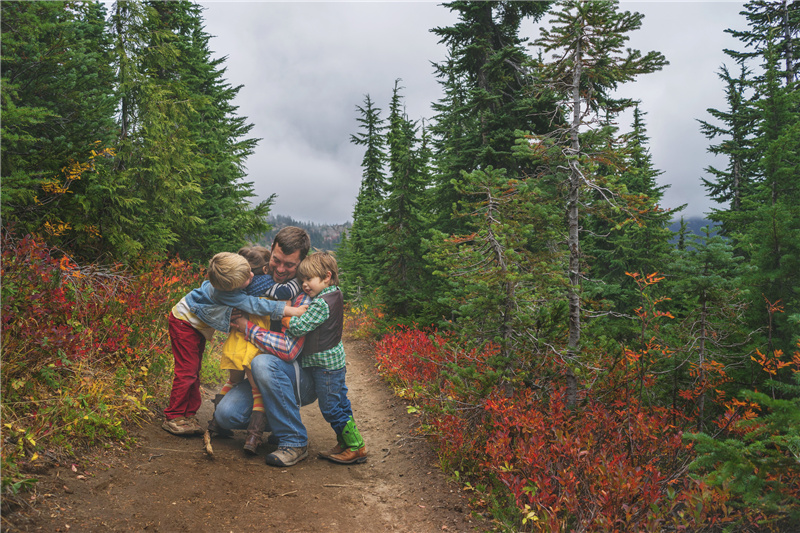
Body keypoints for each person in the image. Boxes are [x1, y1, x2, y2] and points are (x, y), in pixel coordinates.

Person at [230, 251, 367, 465]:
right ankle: (348, 442)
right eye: (302, 280)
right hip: (329, 366)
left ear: (327, 277)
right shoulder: (334, 295)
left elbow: (299, 326)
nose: (304, 285)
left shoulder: (320, 303)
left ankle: (354, 446)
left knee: (332, 407)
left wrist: (285, 316)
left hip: (325, 368)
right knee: (339, 403)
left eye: (309, 280)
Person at [162, 251, 307, 436]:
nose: (252, 276)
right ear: (232, 288)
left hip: (194, 327)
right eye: (247, 278)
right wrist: (291, 311)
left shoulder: (226, 283)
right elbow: (256, 305)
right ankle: (173, 416)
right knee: (187, 372)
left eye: (249, 271)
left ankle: (187, 414)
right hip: (184, 324)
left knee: (193, 370)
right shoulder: (226, 294)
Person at [213, 227, 319, 467]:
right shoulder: (256, 280)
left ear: (301, 262)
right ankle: (279, 418)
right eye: (276, 260)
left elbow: (289, 351)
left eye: (290, 265)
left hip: (299, 378)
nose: (281, 270)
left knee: (262, 362)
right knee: (226, 414)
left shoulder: (305, 292)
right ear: (271, 249)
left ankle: (294, 440)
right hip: (261, 375)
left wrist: (245, 326)